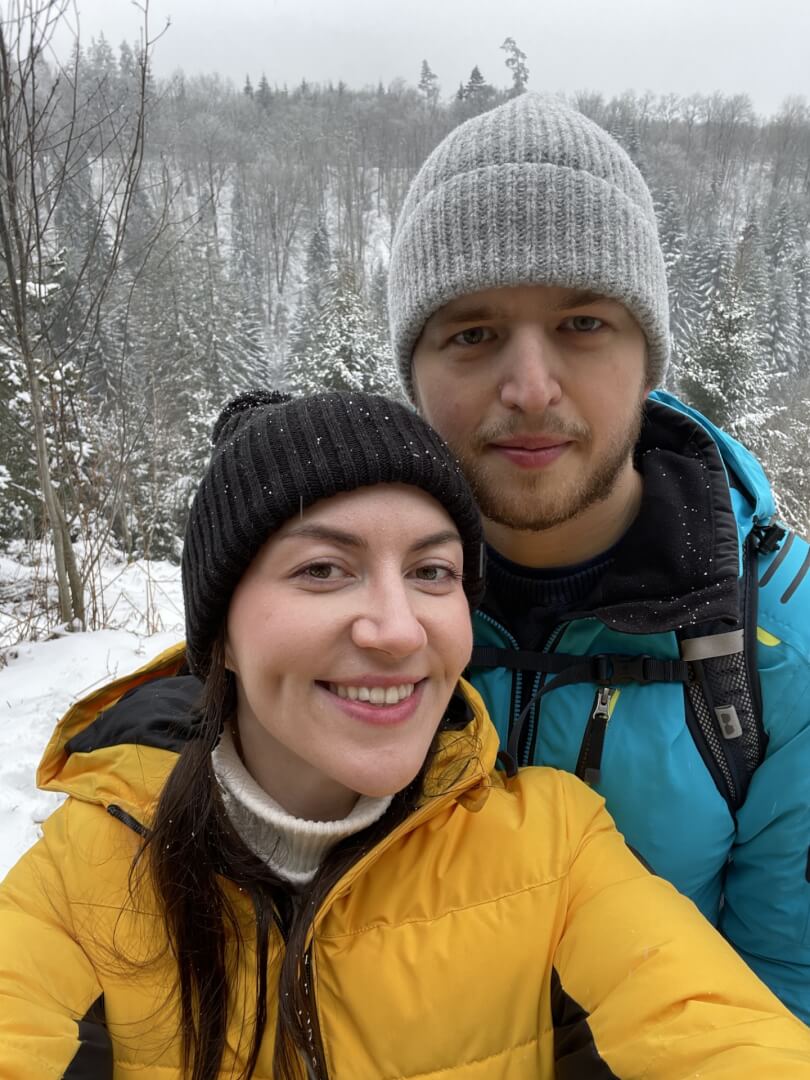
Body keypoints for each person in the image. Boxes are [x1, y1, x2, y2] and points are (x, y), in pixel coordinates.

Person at [2, 389, 810, 1079]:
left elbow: (718, 1036)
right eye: (322, 569)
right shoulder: (84, 879)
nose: (396, 630)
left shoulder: (557, 852)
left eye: (431, 572)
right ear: (220, 638)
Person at [385, 92, 810, 1020]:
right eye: (472, 333)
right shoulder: (347, 615)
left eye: (583, 324)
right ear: (413, 374)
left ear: (647, 359)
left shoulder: (779, 644)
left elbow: (786, 994)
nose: (531, 389)